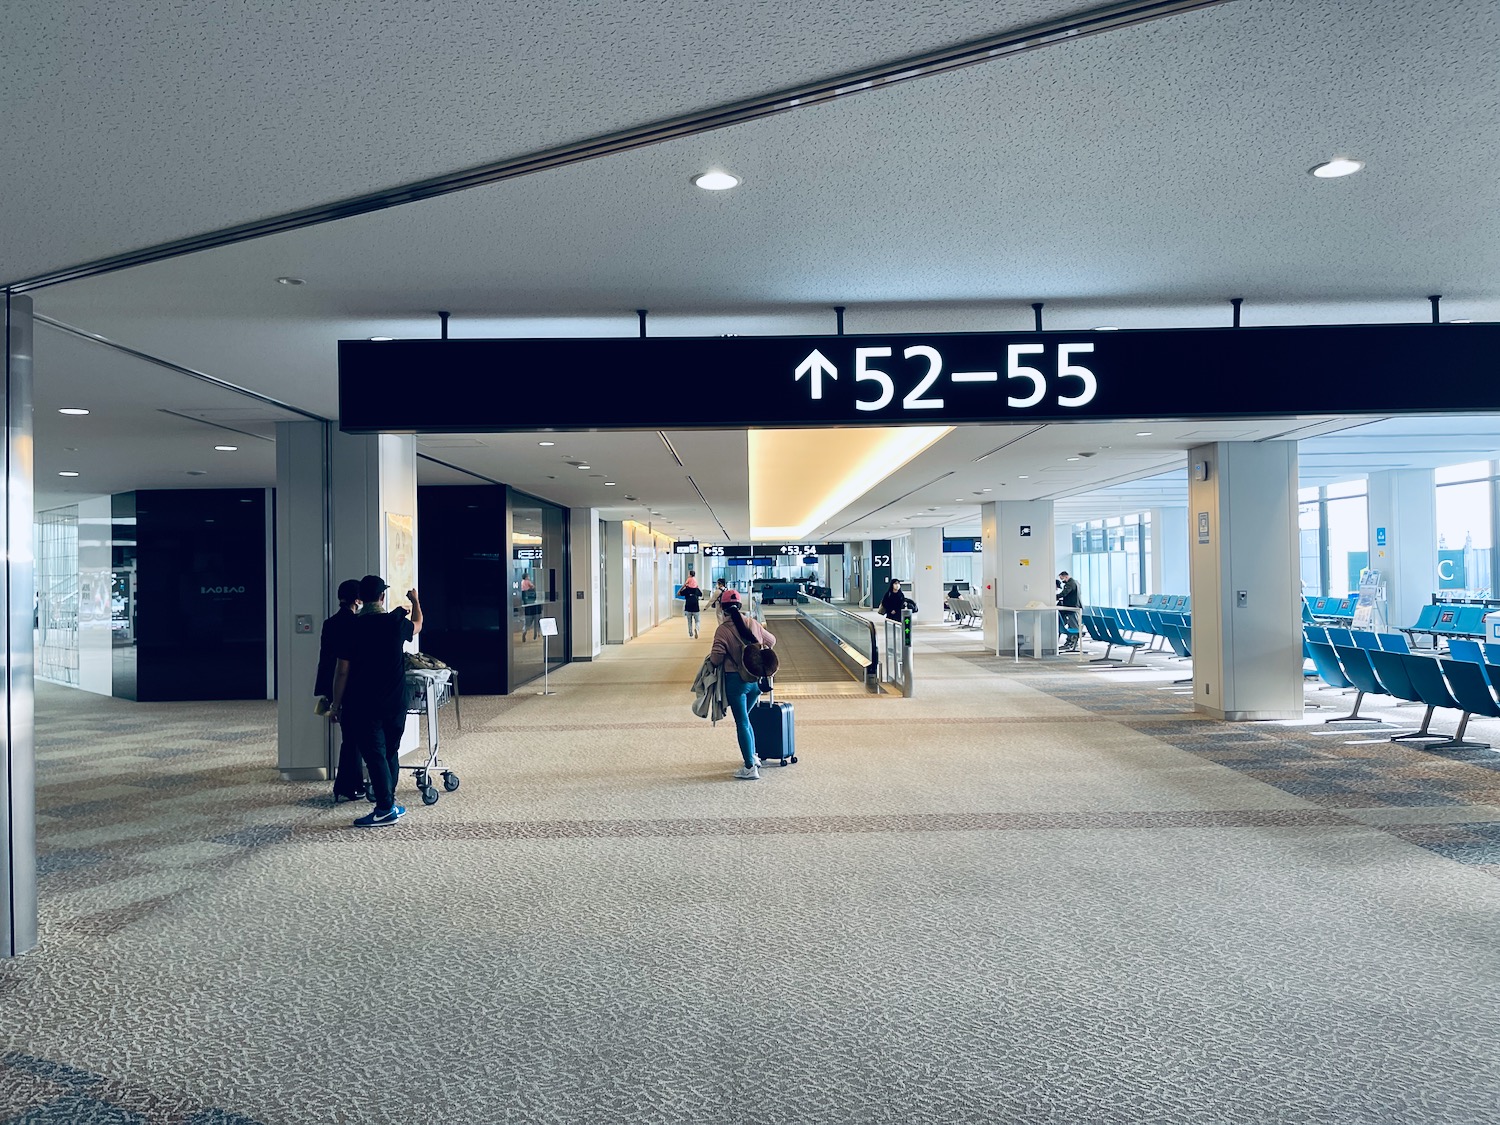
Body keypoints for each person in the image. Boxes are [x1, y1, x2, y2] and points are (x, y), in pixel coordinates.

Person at [331, 576, 423, 827]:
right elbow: (417, 625)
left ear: (361, 597)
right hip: (395, 701)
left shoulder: (351, 627)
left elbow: (342, 671)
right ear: (382, 597)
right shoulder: (394, 622)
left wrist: (336, 704)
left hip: (363, 702)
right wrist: (415, 601)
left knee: (375, 755)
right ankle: (389, 802)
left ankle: (385, 808)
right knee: (391, 751)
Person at [708, 599, 777, 780]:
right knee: (746, 720)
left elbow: (716, 658)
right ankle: (753, 756)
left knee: (742, 722)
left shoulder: (723, 629)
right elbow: (772, 641)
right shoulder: (752, 623)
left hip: (736, 682)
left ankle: (749, 767)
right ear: (739, 607)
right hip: (755, 682)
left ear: (723, 610)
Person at [316, 578, 365, 802]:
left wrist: (330, 695)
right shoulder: (357, 624)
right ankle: (348, 784)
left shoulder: (330, 623)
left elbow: (325, 659)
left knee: (350, 736)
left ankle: (349, 784)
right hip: (354, 686)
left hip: (333, 685)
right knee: (353, 738)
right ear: (357, 599)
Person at [1056, 571, 1081, 652]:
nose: (1062, 580)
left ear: (1065, 576)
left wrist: (1056, 596)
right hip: (1073, 606)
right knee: (1071, 624)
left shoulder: (1070, 583)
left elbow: (1065, 593)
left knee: (1073, 625)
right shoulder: (1075, 582)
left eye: (1062, 578)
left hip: (1072, 607)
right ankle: (1070, 641)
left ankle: (1072, 642)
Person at [678, 570, 704, 638]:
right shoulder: (696, 589)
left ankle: (690, 633)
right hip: (696, 608)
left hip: (688, 608)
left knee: (689, 622)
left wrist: (683, 586)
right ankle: (697, 630)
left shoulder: (687, 589)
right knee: (697, 621)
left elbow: (678, 593)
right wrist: (697, 587)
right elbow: (701, 594)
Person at [519, 571, 540, 641]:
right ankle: (536, 635)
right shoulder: (527, 582)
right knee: (536, 620)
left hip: (526, 603)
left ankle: (524, 632)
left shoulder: (522, 582)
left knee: (527, 622)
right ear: (526, 577)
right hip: (532, 602)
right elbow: (533, 586)